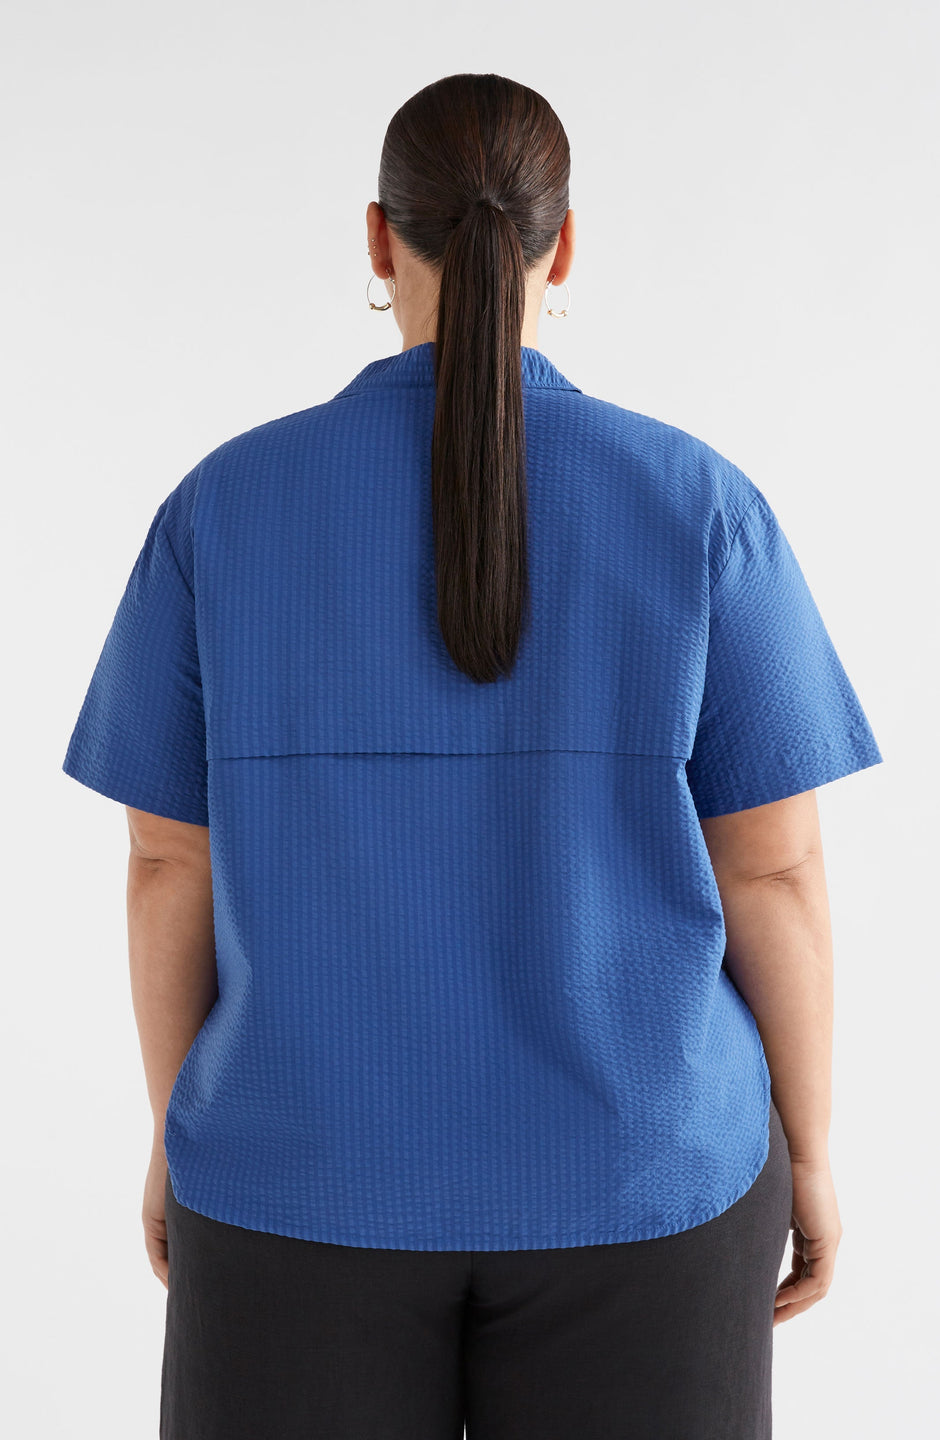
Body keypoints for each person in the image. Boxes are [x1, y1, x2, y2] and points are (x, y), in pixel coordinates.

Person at [62, 72, 883, 1440]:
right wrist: (809, 1152)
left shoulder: (225, 510)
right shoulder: (699, 507)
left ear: (380, 238)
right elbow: (775, 873)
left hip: (295, 1178)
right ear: (565, 248)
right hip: (646, 1182)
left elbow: (166, 866)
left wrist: (171, 1131)